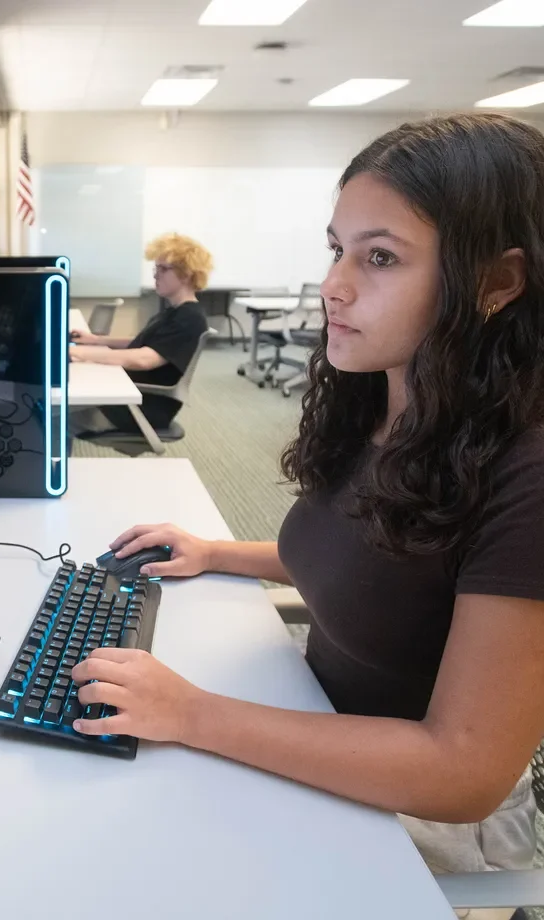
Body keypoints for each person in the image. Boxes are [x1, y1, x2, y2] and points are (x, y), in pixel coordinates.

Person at [70, 113, 544, 918]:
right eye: (337, 249)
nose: (334, 286)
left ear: (496, 283)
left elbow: (462, 772)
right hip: (320, 722)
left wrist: (193, 713)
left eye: (380, 257)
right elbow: (370, 555)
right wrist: (216, 552)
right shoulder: (387, 405)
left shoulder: (527, 476)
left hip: (421, 813)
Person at [70, 233, 212, 435]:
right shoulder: (175, 311)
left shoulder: (189, 318)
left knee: (50, 417)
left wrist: (78, 353)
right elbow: (144, 342)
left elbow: (144, 359)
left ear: (186, 274)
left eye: (163, 269)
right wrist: (95, 340)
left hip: (141, 406)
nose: (156, 275)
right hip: (129, 394)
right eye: (156, 268)